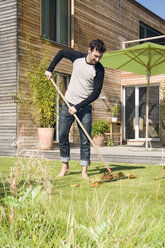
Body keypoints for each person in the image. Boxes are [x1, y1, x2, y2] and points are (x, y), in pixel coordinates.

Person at [45, 39, 106, 179]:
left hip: (84, 107)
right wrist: (50, 69)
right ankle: (65, 166)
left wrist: (77, 107)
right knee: (62, 135)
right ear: (89, 50)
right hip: (68, 102)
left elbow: (95, 94)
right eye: (95, 56)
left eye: (100, 57)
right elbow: (61, 53)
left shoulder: (99, 69)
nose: (97, 59)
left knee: (85, 139)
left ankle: (84, 171)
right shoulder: (77, 57)